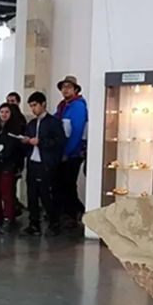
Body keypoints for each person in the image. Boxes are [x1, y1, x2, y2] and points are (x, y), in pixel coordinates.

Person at [21, 92, 67, 237]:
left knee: (46, 195)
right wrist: (26, 141)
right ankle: (34, 223)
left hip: (46, 163)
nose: (33, 109)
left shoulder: (53, 122)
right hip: (33, 162)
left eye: (35, 105)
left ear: (43, 104)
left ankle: (54, 223)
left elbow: (60, 142)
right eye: (31, 106)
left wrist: (41, 142)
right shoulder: (32, 123)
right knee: (32, 194)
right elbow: (28, 139)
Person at [0, 103, 26, 233]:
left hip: (7, 164)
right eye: (1, 112)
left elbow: (14, 147)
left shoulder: (15, 128)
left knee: (7, 193)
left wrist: (3, 155)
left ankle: (9, 219)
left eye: (7, 112)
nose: (4, 114)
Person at [55, 75, 88, 229]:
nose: (65, 89)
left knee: (68, 184)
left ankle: (74, 214)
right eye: (63, 87)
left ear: (75, 89)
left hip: (72, 154)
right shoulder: (62, 106)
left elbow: (76, 132)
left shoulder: (78, 106)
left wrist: (67, 152)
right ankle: (72, 212)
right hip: (63, 151)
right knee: (62, 184)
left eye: (69, 87)